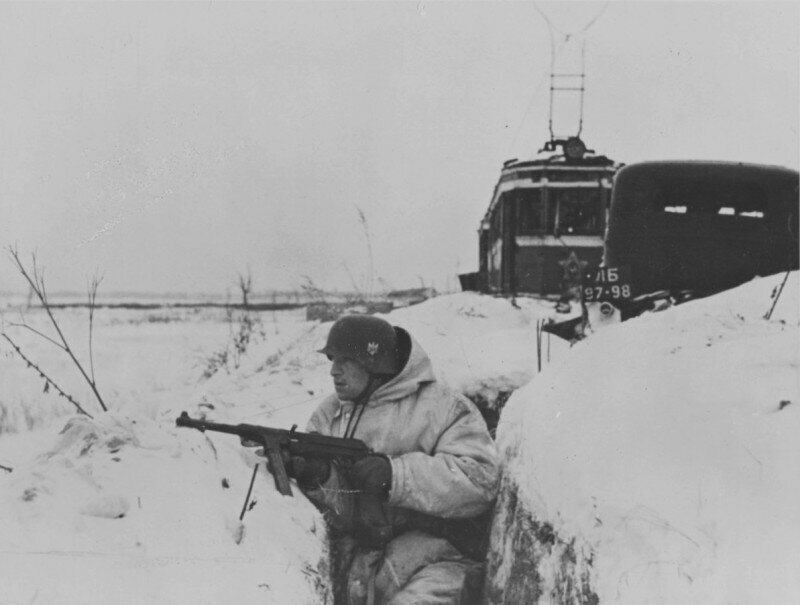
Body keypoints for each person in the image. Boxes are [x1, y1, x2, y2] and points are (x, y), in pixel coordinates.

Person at [276, 314, 500, 605]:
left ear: (373, 363)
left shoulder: (444, 408)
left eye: (345, 361)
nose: (334, 371)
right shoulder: (329, 415)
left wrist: (395, 476)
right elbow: (342, 515)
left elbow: (479, 481)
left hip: (437, 560)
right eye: (332, 360)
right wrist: (319, 478)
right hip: (360, 566)